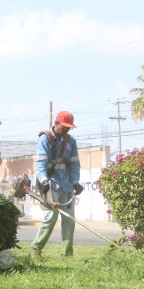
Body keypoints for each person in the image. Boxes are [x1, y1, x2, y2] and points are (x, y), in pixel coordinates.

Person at [31, 111, 83, 258]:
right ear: (56, 123)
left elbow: (74, 164)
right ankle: (35, 249)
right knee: (51, 217)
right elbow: (41, 163)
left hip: (67, 185)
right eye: (64, 126)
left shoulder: (71, 141)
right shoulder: (45, 139)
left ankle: (67, 254)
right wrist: (43, 181)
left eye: (69, 127)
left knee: (69, 220)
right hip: (50, 185)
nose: (67, 130)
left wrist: (76, 182)